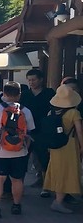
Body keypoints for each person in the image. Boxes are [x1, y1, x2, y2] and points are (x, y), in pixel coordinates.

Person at [0, 81, 36, 218]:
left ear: (4, 94)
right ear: (19, 94)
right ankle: (16, 205)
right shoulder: (26, 110)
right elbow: (30, 133)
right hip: (20, 150)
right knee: (17, 180)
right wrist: (26, 148)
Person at [43, 85, 83, 213]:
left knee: (57, 171)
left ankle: (58, 198)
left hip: (54, 146)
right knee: (67, 172)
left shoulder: (51, 111)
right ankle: (58, 202)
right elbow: (79, 132)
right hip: (69, 146)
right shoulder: (74, 113)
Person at [20, 68, 55, 192]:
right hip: (27, 130)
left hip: (43, 130)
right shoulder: (24, 94)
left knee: (44, 158)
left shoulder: (49, 93)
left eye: (34, 80)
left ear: (40, 80)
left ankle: (47, 185)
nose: (31, 82)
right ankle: (20, 185)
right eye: (29, 80)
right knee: (23, 158)